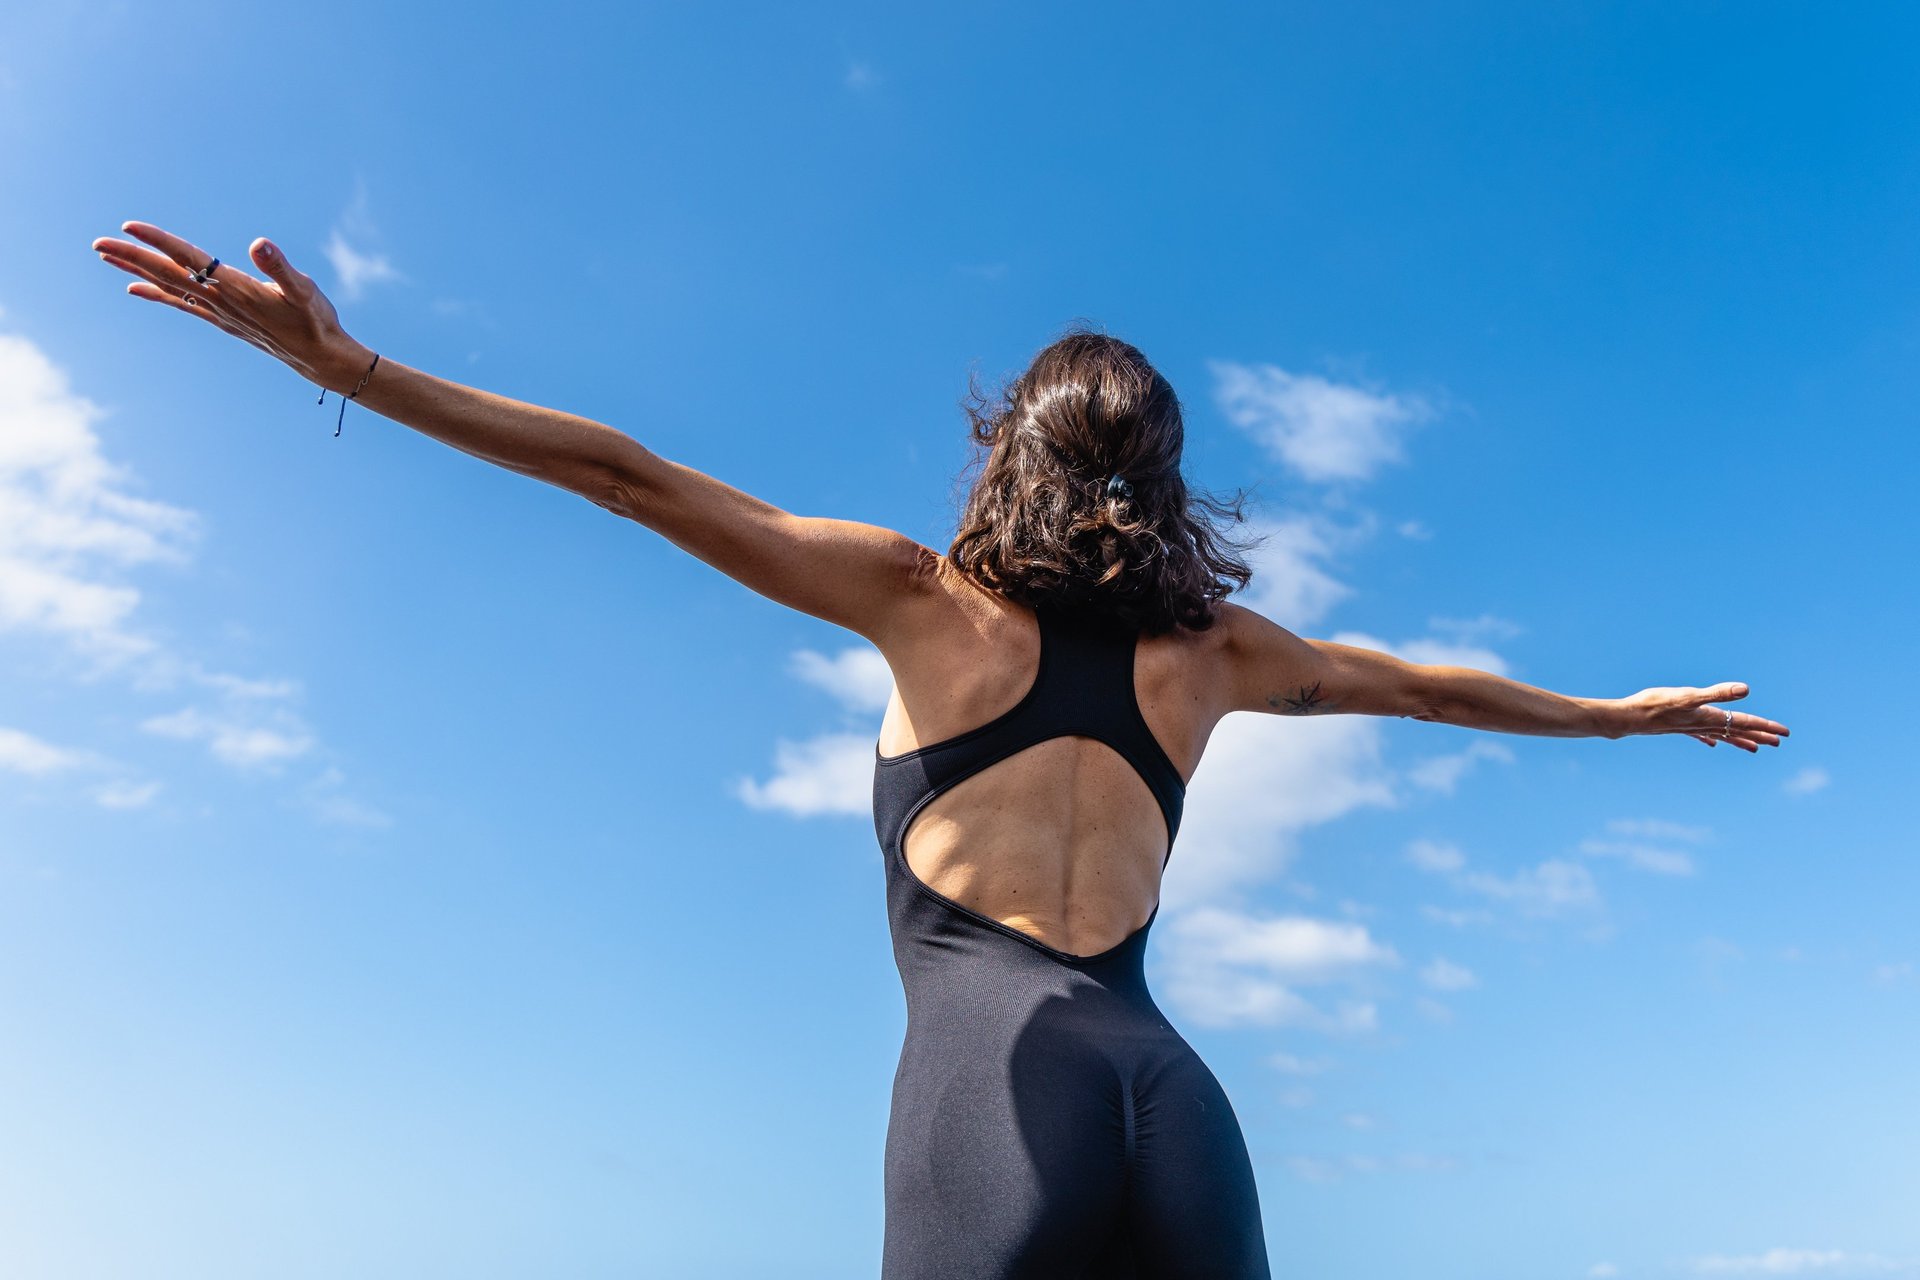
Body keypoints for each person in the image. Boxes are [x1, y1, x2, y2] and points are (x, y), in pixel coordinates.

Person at [91, 222, 1791, 1279]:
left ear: (1010, 455)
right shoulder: (1215, 658)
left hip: (998, 1095)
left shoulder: (921, 601)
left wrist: (350, 366)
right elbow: (1424, 688)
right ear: (1167, 478)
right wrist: (1621, 715)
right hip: (1174, 1100)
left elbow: (627, 475)